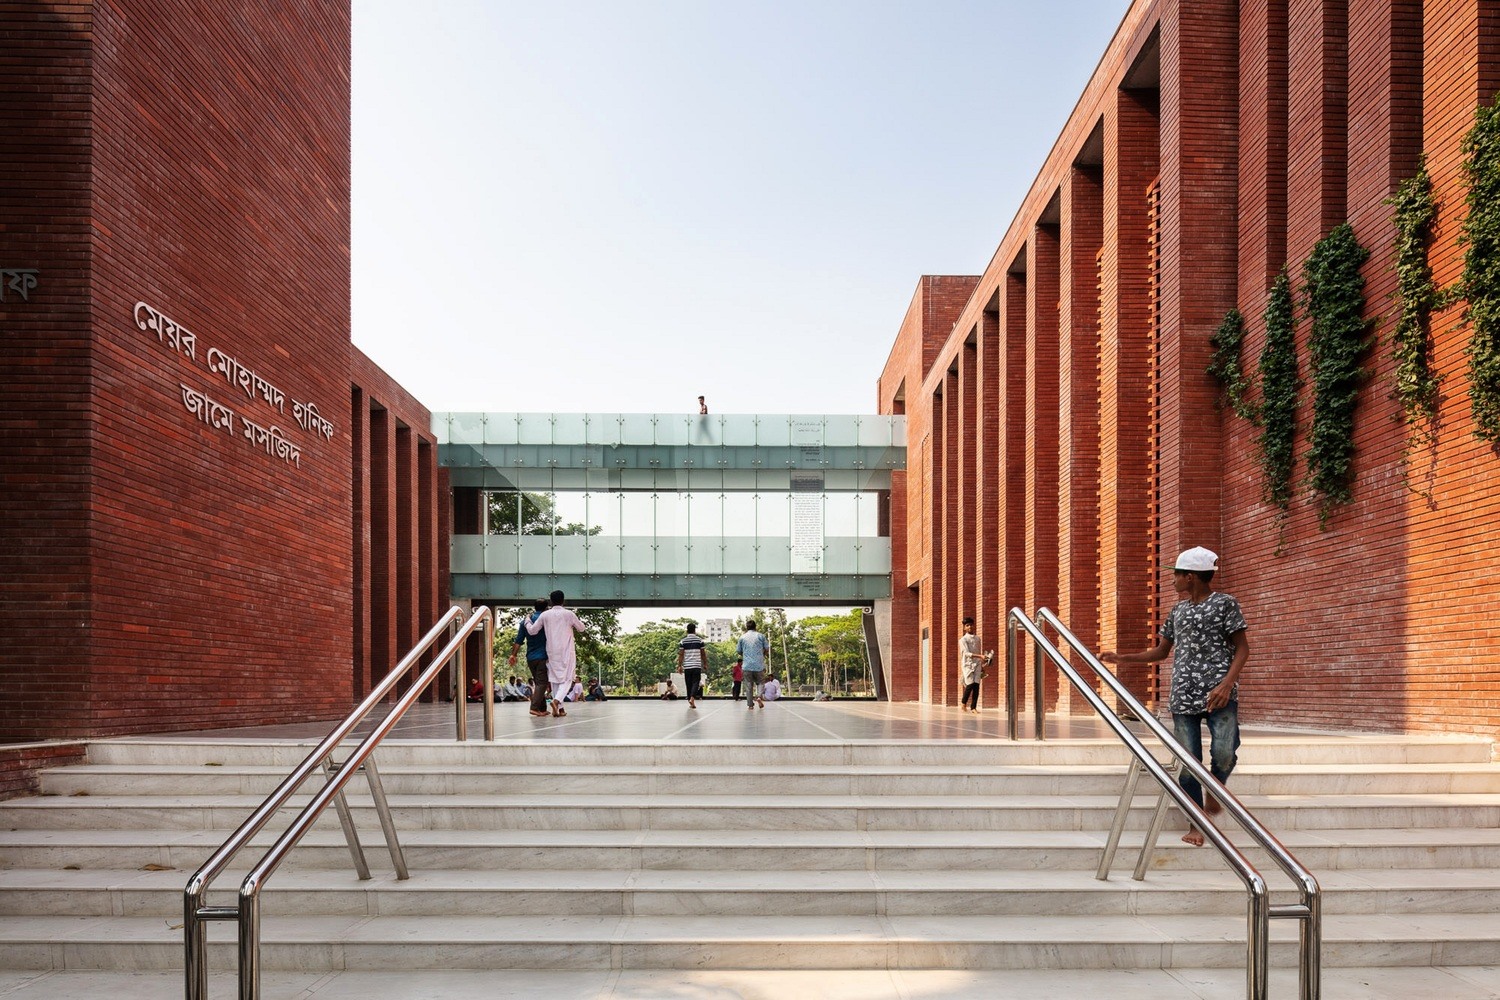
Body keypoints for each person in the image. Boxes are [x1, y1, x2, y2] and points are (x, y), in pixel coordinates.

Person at [1101, 546, 1249, 847]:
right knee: (1186, 759)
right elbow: (1161, 651)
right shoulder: (1178, 610)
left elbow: (1242, 648)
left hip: (1219, 693)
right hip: (1183, 695)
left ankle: (1216, 787)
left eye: (1177, 575)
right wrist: (1122, 658)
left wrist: (1226, 685)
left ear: (1191, 576)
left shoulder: (1225, 604)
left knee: (1225, 752)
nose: (1172, 581)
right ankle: (1197, 823)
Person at [525, 590, 587, 718]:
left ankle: (561, 709)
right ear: (563, 600)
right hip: (566, 651)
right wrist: (582, 623)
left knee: (555, 679)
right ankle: (556, 701)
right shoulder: (569, 614)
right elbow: (581, 628)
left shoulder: (545, 615)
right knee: (568, 678)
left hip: (551, 651)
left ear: (551, 601)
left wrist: (526, 620)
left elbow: (532, 631)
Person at [508, 598, 551, 718]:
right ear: (546, 607)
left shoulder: (525, 622)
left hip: (531, 657)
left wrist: (513, 655)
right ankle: (534, 707)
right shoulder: (547, 620)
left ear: (535, 607)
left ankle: (542, 709)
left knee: (538, 682)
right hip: (544, 656)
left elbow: (518, 640)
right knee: (542, 682)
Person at [737, 619, 770, 710]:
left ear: (747, 627)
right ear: (755, 627)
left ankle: (750, 705)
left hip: (747, 665)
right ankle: (759, 696)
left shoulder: (742, 637)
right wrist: (762, 654)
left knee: (748, 685)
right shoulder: (761, 636)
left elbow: (739, 651)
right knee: (760, 682)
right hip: (758, 665)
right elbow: (767, 648)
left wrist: (746, 654)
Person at [677, 622, 707, 709]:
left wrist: (679, 666)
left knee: (689, 684)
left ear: (687, 630)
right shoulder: (700, 640)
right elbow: (703, 654)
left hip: (687, 666)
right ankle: (692, 698)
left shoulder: (683, 641)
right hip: (697, 666)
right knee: (696, 683)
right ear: (695, 630)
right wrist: (705, 663)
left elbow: (681, 654)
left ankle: (690, 700)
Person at [959, 616, 983, 713]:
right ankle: (963, 703)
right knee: (970, 685)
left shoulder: (978, 638)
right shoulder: (963, 640)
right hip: (967, 665)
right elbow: (966, 653)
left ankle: (973, 708)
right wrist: (980, 656)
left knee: (976, 685)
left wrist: (982, 663)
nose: (970, 627)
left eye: (971, 625)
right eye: (967, 625)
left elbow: (979, 650)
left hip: (977, 663)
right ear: (964, 627)